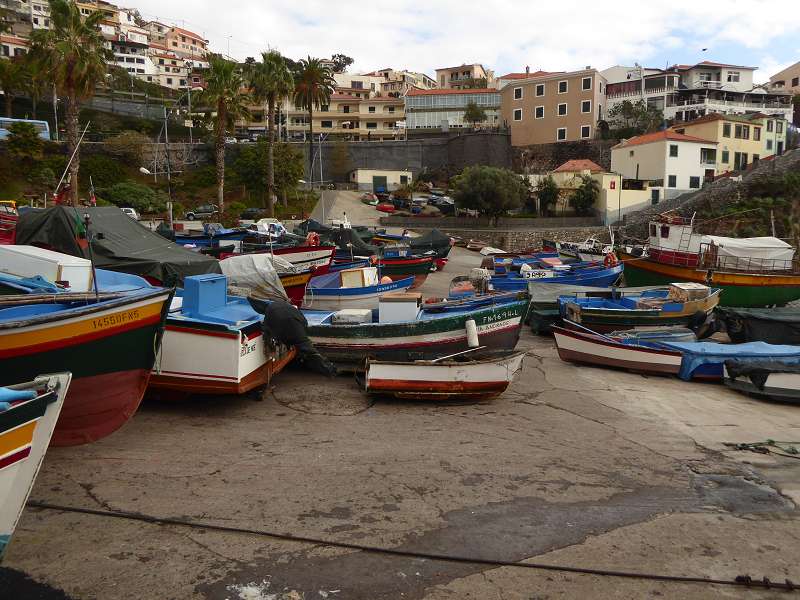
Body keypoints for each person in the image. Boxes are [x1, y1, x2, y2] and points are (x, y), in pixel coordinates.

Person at [261, 300, 338, 377]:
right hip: (297, 329)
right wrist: (303, 331)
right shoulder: (290, 307)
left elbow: (267, 327)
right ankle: (329, 369)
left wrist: (270, 340)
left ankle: (328, 370)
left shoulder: (270, 309)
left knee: (302, 349)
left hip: (284, 330)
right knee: (310, 350)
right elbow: (303, 320)